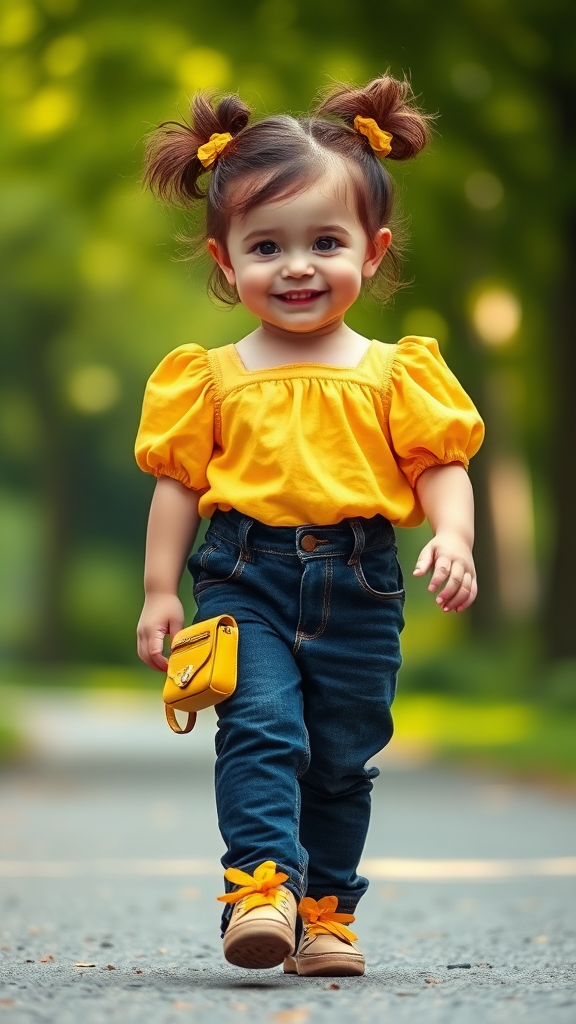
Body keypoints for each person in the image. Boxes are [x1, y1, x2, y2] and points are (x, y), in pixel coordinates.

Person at [135, 73, 484, 977]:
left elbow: (442, 463)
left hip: (361, 583)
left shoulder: (395, 372)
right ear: (226, 262)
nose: (296, 266)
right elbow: (178, 486)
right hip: (241, 574)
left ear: (372, 253)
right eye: (267, 247)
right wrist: (160, 589)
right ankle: (259, 888)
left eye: (323, 242)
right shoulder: (207, 377)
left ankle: (326, 912)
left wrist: (453, 535)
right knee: (260, 730)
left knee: (339, 755)